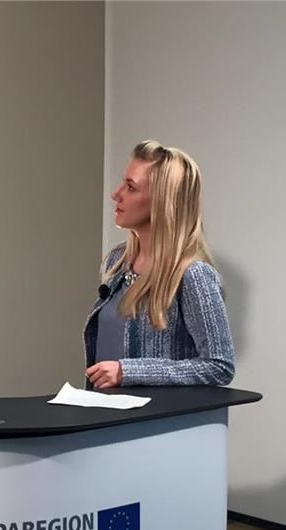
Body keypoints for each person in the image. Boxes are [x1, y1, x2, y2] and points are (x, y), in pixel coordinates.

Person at [84, 140, 234, 389]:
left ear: (163, 201)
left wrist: (129, 372)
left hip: (156, 415)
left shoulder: (193, 275)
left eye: (131, 187)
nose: (116, 194)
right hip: (105, 411)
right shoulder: (117, 261)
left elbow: (220, 366)